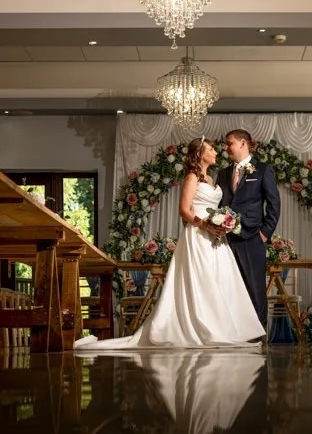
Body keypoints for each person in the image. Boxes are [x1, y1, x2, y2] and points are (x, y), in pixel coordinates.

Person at [75, 136, 264, 350]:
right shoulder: (192, 177)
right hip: (199, 234)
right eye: (211, 149)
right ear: (200, 153)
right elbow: (184, 210)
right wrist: (207, 225)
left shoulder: (212, 179)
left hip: (215, 236)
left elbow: (216, 206)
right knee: (201, 280)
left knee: (220, 280)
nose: (216, 152)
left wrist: (222, 221)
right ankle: (201, 329)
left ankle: (224, 329)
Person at [216, 129, 281, 327]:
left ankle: (259, 334)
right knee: (231, 288)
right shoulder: (224, 173)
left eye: (230, 143)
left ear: (243, 143)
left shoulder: (262, 169)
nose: (226, 148)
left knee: (255, 288)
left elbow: (274, 204)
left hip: (253, 237)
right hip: (227, 240)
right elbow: (221, 204)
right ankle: (236, 333)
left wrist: (264, 233)